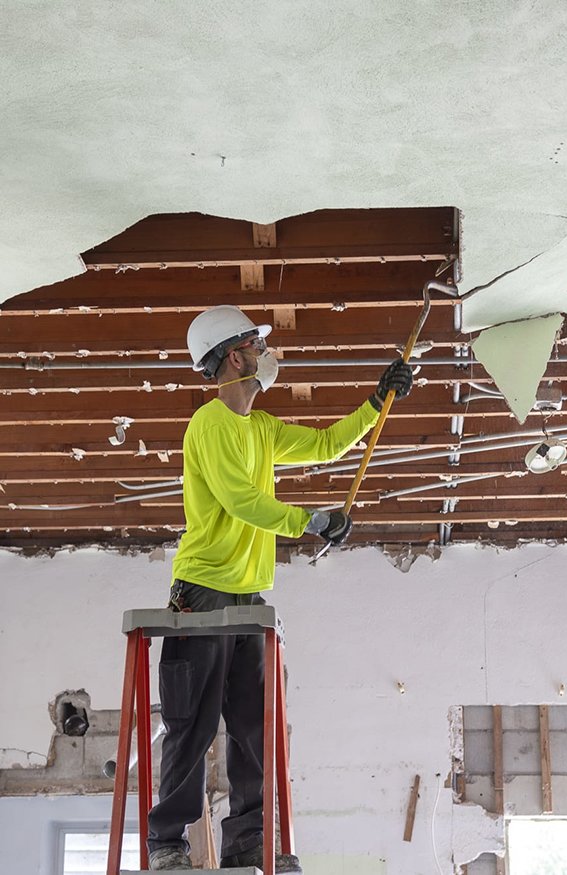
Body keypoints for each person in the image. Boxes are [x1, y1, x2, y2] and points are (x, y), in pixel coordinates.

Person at [146, 305, 413, 872]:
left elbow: (325, 446)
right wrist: (308, 521)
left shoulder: (261, 428)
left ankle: (248, 843)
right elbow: (243, 501)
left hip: (248, 600)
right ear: (235, 356)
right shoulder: (210, 425)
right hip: (202, 595)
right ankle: (168, 843)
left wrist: (377, 401)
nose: (267, 353)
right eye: (255, 343)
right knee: (192, 727)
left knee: (252, 731)